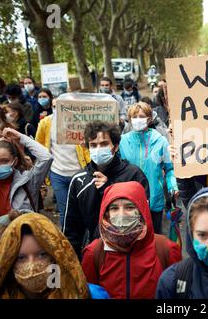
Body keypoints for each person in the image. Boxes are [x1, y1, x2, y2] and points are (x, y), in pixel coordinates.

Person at [63, 121, 150, 258]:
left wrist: (109, 189)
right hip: (96, 254)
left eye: (104, 144)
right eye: (93, 145)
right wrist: (72, 261)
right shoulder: (79, 180)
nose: (98, 149)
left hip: (131, 253)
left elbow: (143, 218)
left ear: (115, 147)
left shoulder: (134, 175)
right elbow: (72, 227)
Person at [81, 181, 181, 299]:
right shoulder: (94, 253)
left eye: (129, 207)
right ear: (106, 214)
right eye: (114, 208)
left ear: (141, 210)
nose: (121, 214)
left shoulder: (166, 249)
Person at [0, 212, 91, 299]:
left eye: (42, 255)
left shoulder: (77, 293)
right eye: (21, 258)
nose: (32, 265)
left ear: (56, 256)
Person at [120, 102, 178, 234]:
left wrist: (173, 186)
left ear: (149, 119)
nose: (138, 119)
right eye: (134, 116)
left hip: (154, 198)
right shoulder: (122, 141)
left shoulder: (161, 141)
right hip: (129, 200)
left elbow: (169, 169)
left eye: (141, 116)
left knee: (154, 236)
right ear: (130, 119)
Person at [0, 128, 52, 230]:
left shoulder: (28, 181)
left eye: (5, 161)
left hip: (21, 240)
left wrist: (21, 137)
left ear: (15, 161)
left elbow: (46, 157)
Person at [35, 99, 90, 227]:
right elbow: (39, 146)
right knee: (64, 211)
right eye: (55, 106)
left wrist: (86, 145)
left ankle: (84, 239)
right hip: (57, 174)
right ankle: (68, 241)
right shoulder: (46, 123)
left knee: (82, 208)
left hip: (79, 173)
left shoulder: (82, 122)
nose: (58, 110)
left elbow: (92, 144)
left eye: (62, 107)